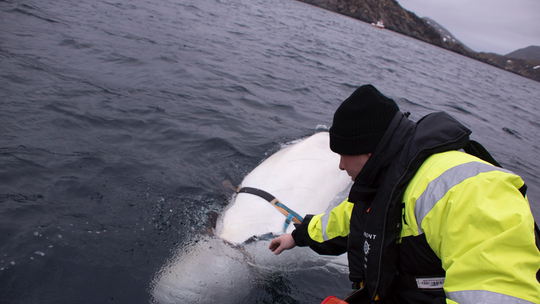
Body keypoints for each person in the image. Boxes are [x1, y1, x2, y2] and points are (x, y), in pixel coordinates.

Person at [269, 84, 540, 303]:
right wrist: (297, 236)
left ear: (369, 150)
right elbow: (353, 219)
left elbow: (499, 291)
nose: (340, 165)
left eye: (344, 155)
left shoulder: (471, 191)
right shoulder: (390, 178)